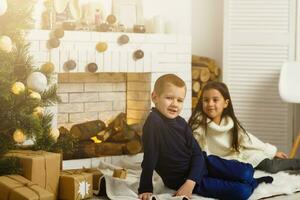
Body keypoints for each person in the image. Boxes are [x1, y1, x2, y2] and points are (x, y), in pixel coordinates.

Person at [138, 74, 273, 200]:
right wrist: (145, 188)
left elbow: (196, 153)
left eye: (179, 100)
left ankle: (251, 180)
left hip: (204, 162)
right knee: (242, 192)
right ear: (155, 97)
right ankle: (253, 184)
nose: (174, 104)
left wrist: (194, 175)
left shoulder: (181, 122)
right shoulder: (154, 123)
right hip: (183, 178)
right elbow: (150, 159)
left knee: (247, 171)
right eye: (169, 98)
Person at [188, 81, 300, 174]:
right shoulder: (198, 125)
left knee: (271, 166)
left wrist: (271, 151)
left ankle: (296, 163)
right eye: (206, 100)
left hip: (240, 154)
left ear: (226, 103)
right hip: (223, 163)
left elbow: (247, 139)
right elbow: (195, 149)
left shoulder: (230, 123)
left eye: (215, 100)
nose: (210, 104)